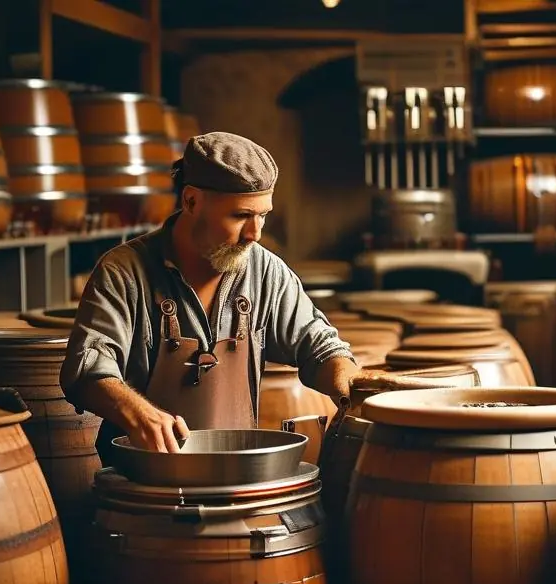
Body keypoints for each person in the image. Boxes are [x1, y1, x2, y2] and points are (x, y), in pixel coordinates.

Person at [59, 131, 359, 464]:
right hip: (142, 485)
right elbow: (86, 371)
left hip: (235, 475)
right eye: (241, 216)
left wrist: (350, 387)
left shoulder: (266, 272)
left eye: (263, 215)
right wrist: (137, 412)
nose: (255, 234)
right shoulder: (123, 272)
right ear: (191, 201)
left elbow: (321, 348)